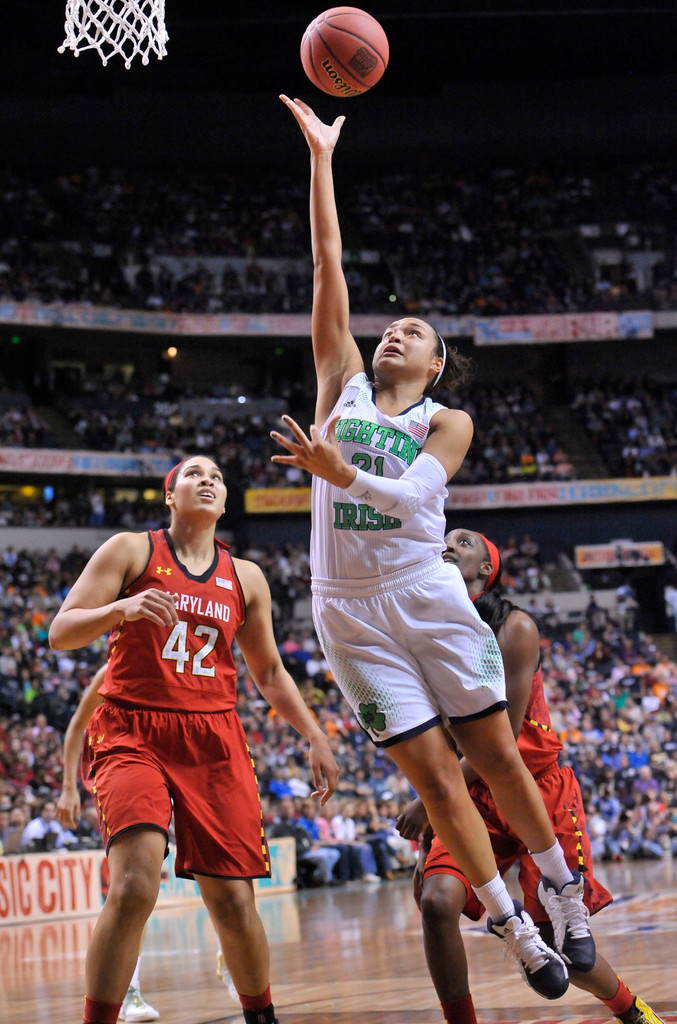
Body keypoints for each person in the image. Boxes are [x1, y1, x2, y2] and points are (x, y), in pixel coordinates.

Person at [271, 94, 595, 999]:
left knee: (490, 758)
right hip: (346, 611)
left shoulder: (445, 418)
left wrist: (339, 474)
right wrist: (322, 156)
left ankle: (562, 895)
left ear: (435, 362)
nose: (392, 331)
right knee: (436, 781)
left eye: (411, 332)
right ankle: (516, 927)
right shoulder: (339, 381)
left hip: (422, 591)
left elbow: (416, 494)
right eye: (389, 326)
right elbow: (325, 261)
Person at [48, 454, 339, 1024]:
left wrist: (314, 733)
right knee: (134, 884)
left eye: (218, 477)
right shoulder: (131, 550)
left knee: (232, 901)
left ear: (225, 503)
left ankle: (261, 1014)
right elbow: (61, 632)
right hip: (134, 728)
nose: (207, 480)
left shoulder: (246, 576)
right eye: (193, 474)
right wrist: (121, 609)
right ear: (169, 495)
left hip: (214, 736)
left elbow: (271, 672)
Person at [396, 528, 665, 1024]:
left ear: (486, 570)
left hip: (534, 786)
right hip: (470, 792)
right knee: (436, 903)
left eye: (465, 541)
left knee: (570, 956)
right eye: (445, 540)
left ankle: (636, 1013)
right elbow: (434, 741)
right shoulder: (425, 635)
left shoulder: (515, 628)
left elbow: (501, 745)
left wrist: (431, 802)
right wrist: (434, 809)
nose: (449, 545)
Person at [56, 665, 159, 1023]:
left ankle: (230, 960)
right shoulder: (116, 665)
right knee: (132, 888)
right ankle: (127, 990)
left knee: (152, 890)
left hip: (168, 769)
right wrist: (68, 788)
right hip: (121, 769)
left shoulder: (184, 669)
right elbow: (76, 727)